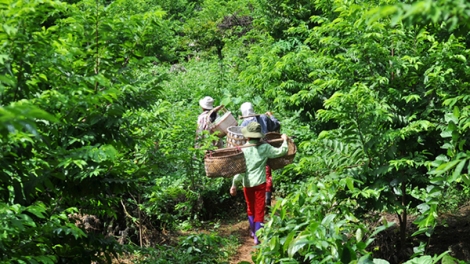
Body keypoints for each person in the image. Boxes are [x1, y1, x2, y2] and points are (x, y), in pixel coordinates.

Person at [230, 122, 288, 245]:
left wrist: (234, 184)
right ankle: (258, 237)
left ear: (248, 136)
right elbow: (281, 152)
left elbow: (239, 171)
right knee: (259, 210)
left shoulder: (243, 150)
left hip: (247, 185)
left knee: (250, 208)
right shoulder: (265, 148)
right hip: (260, 184)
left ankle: (253, 231)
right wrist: (285, 140)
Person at [239, 102, 281, 213]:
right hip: (266, 150)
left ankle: (256, 205)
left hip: (252, 156)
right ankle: (266, 202)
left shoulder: (244, 123)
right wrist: (271, 116)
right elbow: (276, 125)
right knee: (267, 175)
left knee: (253, 177)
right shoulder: (263, 117)